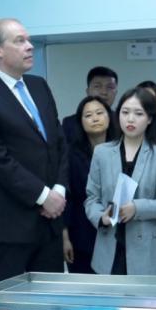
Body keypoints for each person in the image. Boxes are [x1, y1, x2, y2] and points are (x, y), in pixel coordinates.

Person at [0, 18, 68, 310]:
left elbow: (58, 143)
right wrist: (43, 196)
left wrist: (59, 191)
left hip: (50, 222)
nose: (29, 46)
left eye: (29, 40)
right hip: (9, 223)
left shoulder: (39, 86)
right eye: (20, 40)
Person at [85, 87, 156, 275]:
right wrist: (101, 217)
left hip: (147, 253)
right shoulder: (102, 153)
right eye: (125, 112)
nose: (130, 119)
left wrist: (136, 208)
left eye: (138, 114)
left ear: (150, 118)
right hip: (109, 247)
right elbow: (91, 198)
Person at [63, 95, 117, 273]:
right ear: (80, 122)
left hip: (117, 232)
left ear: (109, 116)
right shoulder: (71, 154)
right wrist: (65, 238)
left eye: (100, 113)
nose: (95, 118)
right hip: (81, 234)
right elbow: (66, 198)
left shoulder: (123, 150)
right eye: (88, 115)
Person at [61, 66, 119, 143]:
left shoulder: (121, 120)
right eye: (97, 86)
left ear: (116, 92)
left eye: (110, 87)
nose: (104, 92)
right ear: (88, 91)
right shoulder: (70, 123)